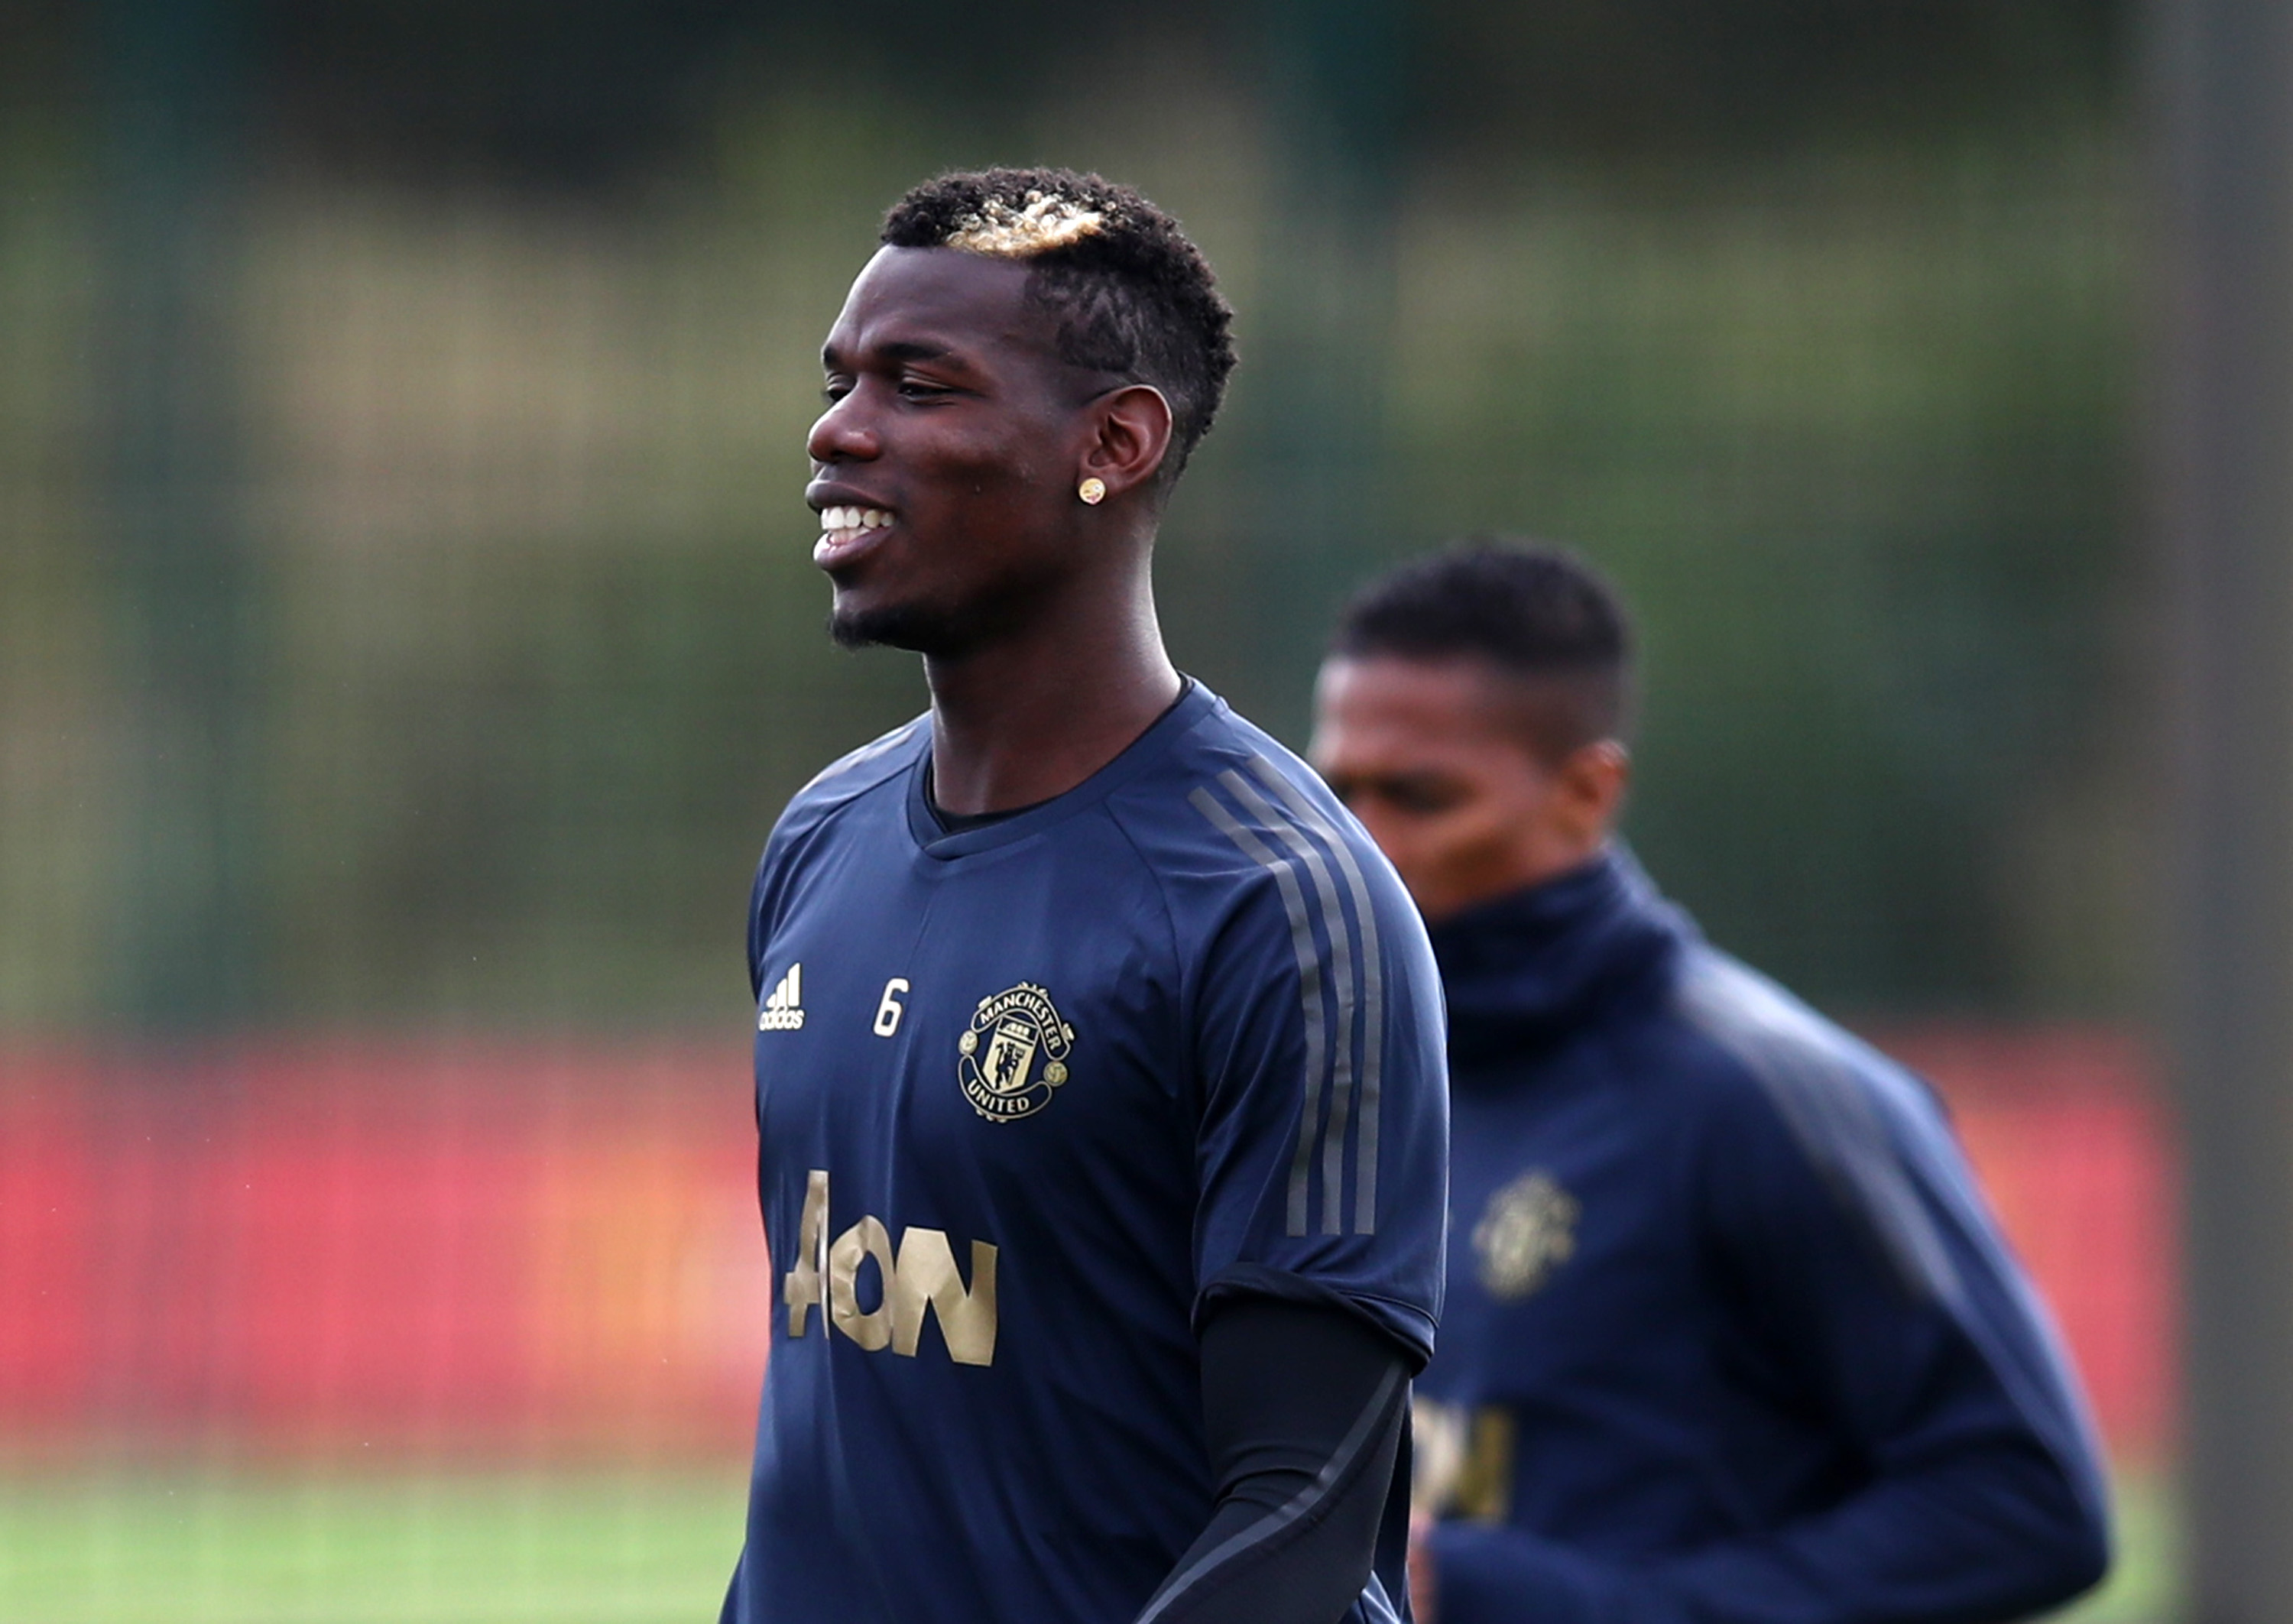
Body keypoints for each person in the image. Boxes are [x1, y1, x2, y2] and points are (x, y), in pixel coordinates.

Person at [722, 167, 1449, 1624]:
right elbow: (844, 1440)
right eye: (842, 379)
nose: (836, 431)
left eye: (920, 386)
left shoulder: (1279, 905)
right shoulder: (823, 839)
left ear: (1112, 443)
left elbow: (1302, 1509)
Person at [1309, 541, 2113, 1624]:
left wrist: (1531, 1602)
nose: (1361, 843)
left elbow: (2028, 1506)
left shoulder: (1767, 1094)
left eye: (1419, 796)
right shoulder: (1343, 1076)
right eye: (1336, 790)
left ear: (1586, 792)